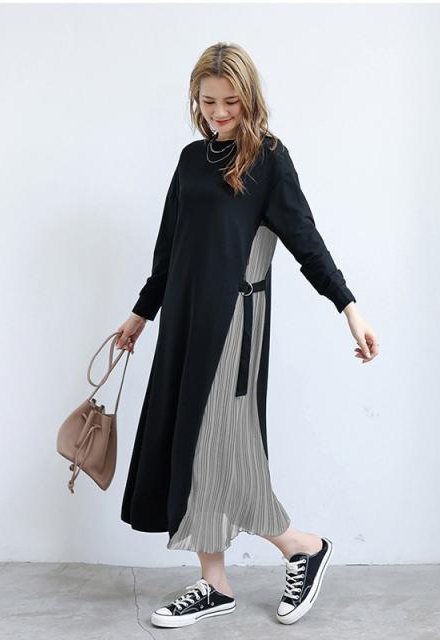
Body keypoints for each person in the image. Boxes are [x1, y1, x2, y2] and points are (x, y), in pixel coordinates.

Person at [115, 42, 379, 628]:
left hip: (236, 319)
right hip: (186, 319)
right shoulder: (190, 160)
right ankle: (217, 582)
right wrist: (141, 313)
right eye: (208, 101)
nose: (219, 113)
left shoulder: (269, 159)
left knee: (220, 443)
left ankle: (301, 545)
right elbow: (169, 248)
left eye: (230, 101)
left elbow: (306, 242)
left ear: (250, 97)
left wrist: (349, 307)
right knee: (199, 445)